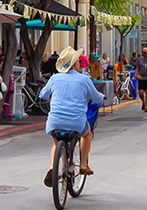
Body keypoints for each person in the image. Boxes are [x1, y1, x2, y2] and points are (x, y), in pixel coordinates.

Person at [39, 46, 104, 187]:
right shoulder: (83, 79)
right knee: (86, 134)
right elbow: (97, 98)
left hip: (54, 122)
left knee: (56, 143)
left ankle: (53, 168)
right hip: (76, 123)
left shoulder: (54, 78)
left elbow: (42, 95)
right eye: (78, 62)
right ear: (74, 64)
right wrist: (101, 98)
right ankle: (83, 165)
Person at [135, 47, 147, 112]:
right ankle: (143, 102)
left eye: (145, 52)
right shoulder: (140, 59)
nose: (143, 53)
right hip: (141, 77)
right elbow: (137, 67)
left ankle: (146, 106)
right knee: (140, 92)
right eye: (143, 52)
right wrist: (136, 74)